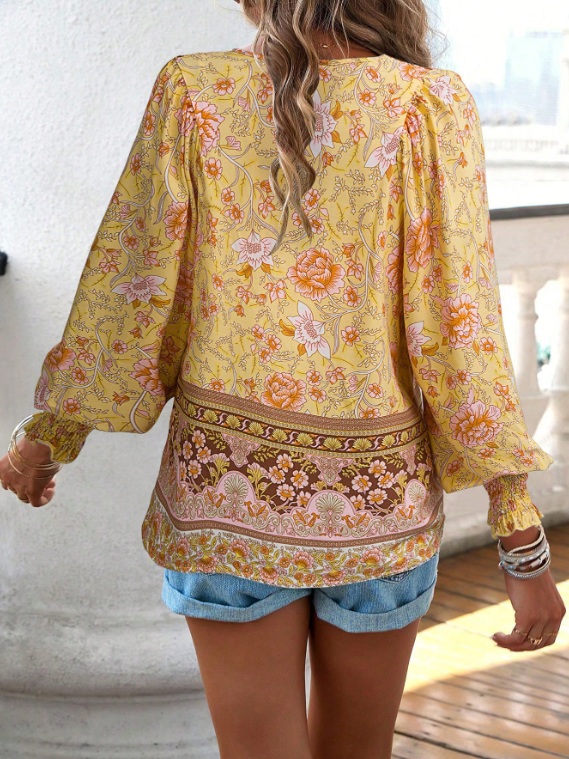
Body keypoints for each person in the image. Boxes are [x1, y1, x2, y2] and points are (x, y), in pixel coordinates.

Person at [1, 1, 566, 757]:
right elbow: (459, 329)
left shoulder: (194, 93)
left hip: (225, 499)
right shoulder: (427, 105)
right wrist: (519, 537)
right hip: (376, 506)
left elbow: (133, 288)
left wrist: (50, 433)